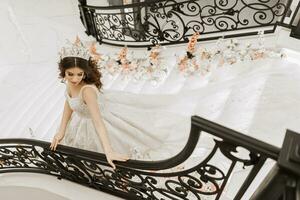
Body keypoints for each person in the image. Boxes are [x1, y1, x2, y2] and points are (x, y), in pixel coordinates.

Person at [49, 37, 190, 170]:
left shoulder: (87, 91)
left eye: (80, 74)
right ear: (64, 72)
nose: (75, 79)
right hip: (81, 122)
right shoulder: (69, 83)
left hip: (99, 121)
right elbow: (69, 102)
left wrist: (108, 151)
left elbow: (98, 122)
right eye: (70, 74)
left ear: (85, 73)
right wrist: (61, 130)